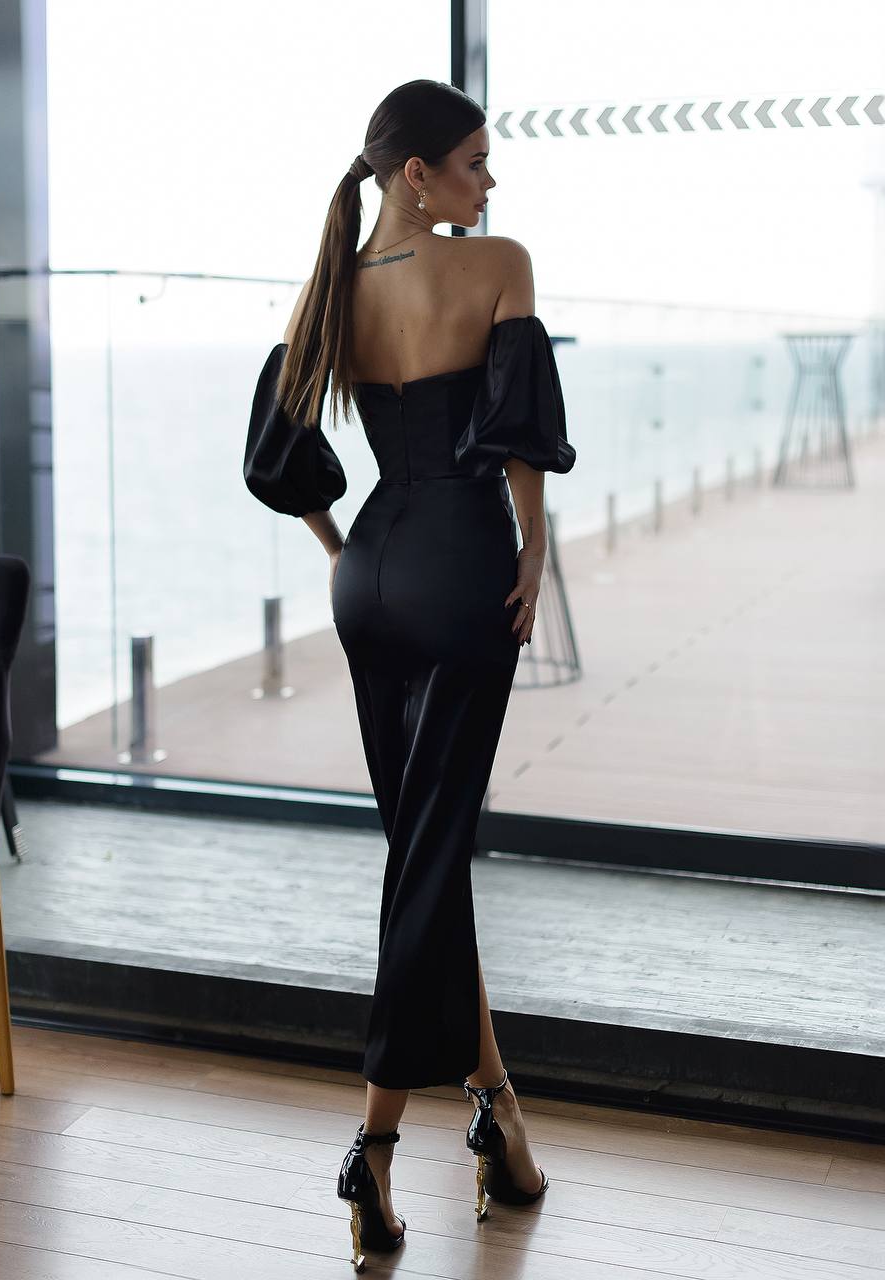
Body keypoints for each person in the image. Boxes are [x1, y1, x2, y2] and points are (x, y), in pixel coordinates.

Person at [243, 79, 576, 1270]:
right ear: (417, 174)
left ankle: (500, 1117)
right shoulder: (497, 266)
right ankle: (373, 1143)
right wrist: (532, 553)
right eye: (475, 162)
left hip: (370, 574)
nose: (491, 182)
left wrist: (343, 550)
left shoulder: (331, 286)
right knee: (427, 862)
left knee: (422, 858)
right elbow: (520, 432)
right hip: (462, 567)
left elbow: (278, 450)